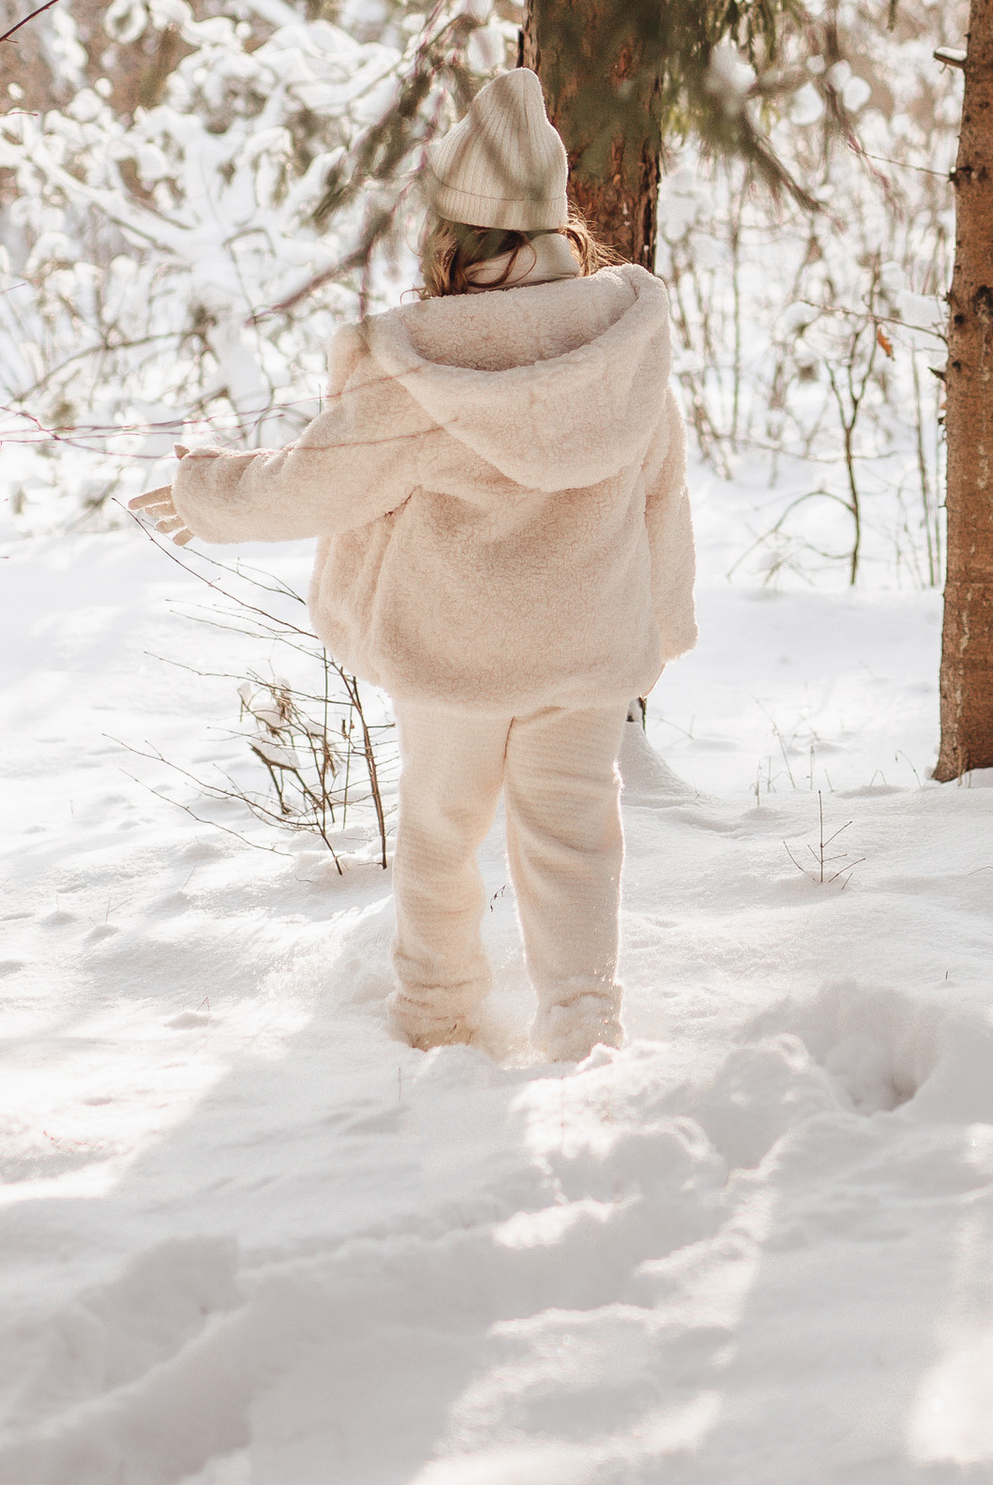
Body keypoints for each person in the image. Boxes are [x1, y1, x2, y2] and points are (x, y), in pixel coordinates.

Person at [129, 71, 694, 1058]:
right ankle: (583, 1029)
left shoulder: (424, 367)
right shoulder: (622, 346)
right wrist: (663, 629)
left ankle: (435, 1020)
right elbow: (661, 495)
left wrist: (200, 491)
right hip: (590, 646)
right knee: (572, 838)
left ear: (453, 234)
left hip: (455, 653)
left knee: (441, 834)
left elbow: (316, 481)